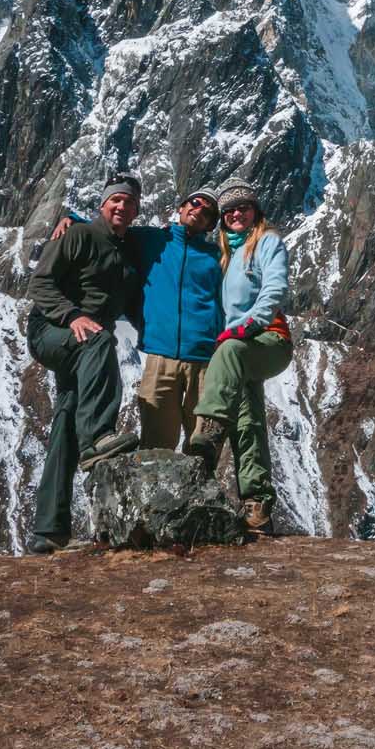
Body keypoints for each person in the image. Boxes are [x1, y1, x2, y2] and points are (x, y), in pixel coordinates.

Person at [25, 173, 145, 554]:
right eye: (116, 201)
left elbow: (132, 305)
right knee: (98, 338)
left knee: (65, 418)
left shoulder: (128, 251)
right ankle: (97, 437)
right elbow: (40, 283)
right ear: (103, 204)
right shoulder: (76, 235)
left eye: (129, 202)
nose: (122, 206)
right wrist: (71, 314)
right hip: (52, 331)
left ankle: (48, 530)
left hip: (83, 347)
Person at [54, 186, 224, 452]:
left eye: (207, 210)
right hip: (159, 358)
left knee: (202, 447)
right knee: (155, 447)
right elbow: (110, 231)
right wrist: (74, 221)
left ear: (211, 224)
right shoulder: (152, 240)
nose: (198, 209)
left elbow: (226, 302)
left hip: (204, 361)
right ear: (181, 208)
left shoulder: (217, 257)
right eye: (195, 202)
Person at [187, 177, 293, 534]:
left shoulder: (267, 242)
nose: (235, 214)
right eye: (229, 210)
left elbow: (275, 288)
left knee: (230, 350)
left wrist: (246, 327)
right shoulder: (225, 254)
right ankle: (257, 505)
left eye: (242, 207)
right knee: (248, 422)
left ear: (255, 210)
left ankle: (210, 431)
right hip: (240, 349)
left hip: (268, 340)